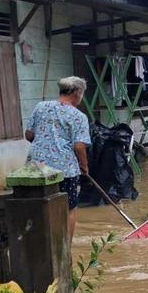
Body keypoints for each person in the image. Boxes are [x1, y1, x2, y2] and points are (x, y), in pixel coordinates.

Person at [25, 76, 91, 244]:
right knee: (69, 209)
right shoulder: (79, 116)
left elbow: (29, 135)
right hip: (65, 171)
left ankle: (40, 245)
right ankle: (64, 249)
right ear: (77, 93)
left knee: (39, 208)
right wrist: (84, 166)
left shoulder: (40, 107)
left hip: (36, 169)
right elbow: (79, 146)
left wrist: (44, 144)